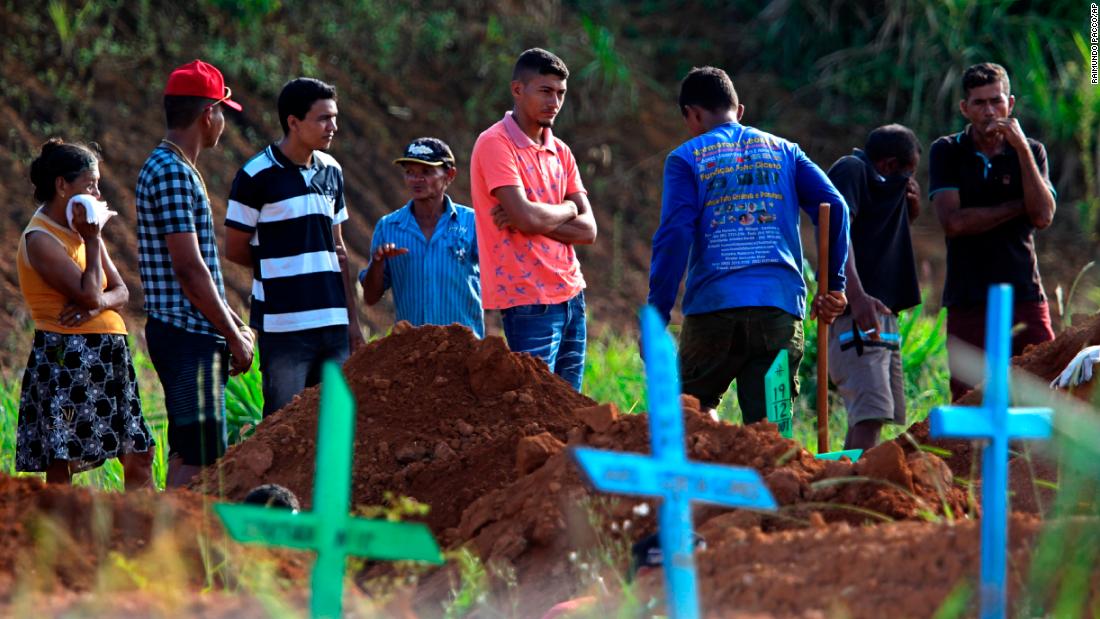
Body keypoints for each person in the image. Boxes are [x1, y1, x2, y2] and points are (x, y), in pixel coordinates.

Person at [648, 66, 849, 423]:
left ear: (691, 115)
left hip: (714, 310)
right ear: (738, 111)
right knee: (771, 428)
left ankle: (706, 470)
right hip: (778, 311)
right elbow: (835, 208)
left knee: (692, 413)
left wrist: (658, 314)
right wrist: (831, 286)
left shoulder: (686, 157)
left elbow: (674, 236)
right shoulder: (786, 151)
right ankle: (777, 479)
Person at [136, 59, 254, 488]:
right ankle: (181, 549)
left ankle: (176, 546)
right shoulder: (171, 171)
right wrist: (232, 333)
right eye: (222, 111)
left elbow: (197, 269)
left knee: (191, 449)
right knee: (201, 461)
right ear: (208, 114)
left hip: (189, 333)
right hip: (188, 335)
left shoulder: (175, 167)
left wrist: (235, 326)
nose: (222, 122)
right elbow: (189, 269)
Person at [16, 139, 155, 488]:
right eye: (89, 184)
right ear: (62, 186)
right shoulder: (41, 239)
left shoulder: (83, 230)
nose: (96, 192)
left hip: (108, 354)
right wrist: (93, 242)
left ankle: (144, 533)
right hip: (68, 358)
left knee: (138, 451)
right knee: (63, 458)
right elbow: (91, 291)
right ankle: (61, 537)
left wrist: (98, 303)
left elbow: (121, 292)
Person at [225, 77, 364, 417]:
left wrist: (353, 324)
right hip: (284, 327)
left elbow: (338, 249)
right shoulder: (255, 176)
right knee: (283, 428)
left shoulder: (332, 171)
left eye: (334, 117)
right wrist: (279, 267)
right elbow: (235, 248)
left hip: (332, 323)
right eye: (323, 119)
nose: (333, 127)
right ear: (293, 122)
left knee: (334, 425)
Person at [469, 48, 597, 391]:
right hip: (527, 300)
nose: (554, 102)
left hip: (573, 294)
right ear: (517, 90)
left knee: (569, 408)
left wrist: (537, 216)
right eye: (545, 91)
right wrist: (566, 209)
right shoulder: (495, 143)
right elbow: (525, 217)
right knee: (535, 406)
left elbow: (589, 230)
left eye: (560, 94)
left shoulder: (562, 151)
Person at [929, 62, 1057, 401]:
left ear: (1010, 104)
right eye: (980, 103)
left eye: (997, 101)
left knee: (1046, 386)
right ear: (964, 109)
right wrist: (1018, 207)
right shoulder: (947, 151)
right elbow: (954, 223)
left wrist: (1022, 150)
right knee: (968, 396)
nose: (990, 111)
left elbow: (1043, 215)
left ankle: (1033, 458)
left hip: (1023, 291)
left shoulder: (1032, 151)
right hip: (967, 295)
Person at [826, 125, 922, 450]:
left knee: (877, 415)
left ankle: (854, 482)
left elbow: (876, 236)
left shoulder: (883, 184)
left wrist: (909, 208)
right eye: (907, 173)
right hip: (859, 312)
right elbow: (837, 233)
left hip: (882, 313)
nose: (908, 182)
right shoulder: (851, 170)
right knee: (868, 414)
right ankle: (852, 489)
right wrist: (856, 296)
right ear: (888, 165)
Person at [360, 137, 483, 337]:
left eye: (426, 172)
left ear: (449, 175)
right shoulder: (388, 227)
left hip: (464, 352)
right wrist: (377, 262)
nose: (416, 179)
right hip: (413, 354)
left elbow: (498, 276)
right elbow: (371, 298)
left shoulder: (472, 223)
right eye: (410, 172)